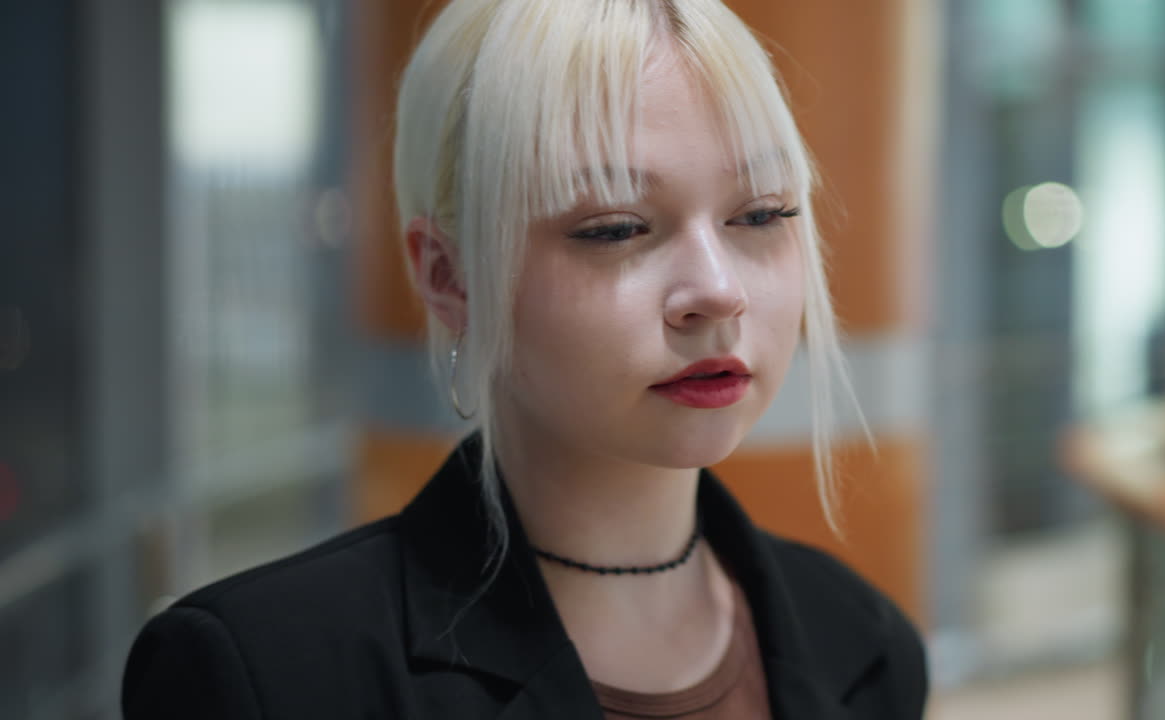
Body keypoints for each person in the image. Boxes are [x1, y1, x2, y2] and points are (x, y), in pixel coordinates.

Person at [121, 0, 929, 717]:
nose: (717, 293)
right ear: (449, 276)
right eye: (616, 228)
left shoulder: (865, 642)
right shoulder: (265, 673)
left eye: (760, 214)